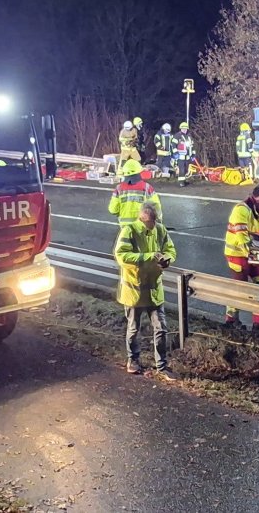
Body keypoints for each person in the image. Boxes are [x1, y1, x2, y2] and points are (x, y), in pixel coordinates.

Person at [114, 202, 179, 380]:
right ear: (143, 218)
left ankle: (162, 366)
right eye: (151, 222)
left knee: (161, 328)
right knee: (134, 328)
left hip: (154, 290)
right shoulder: (130, 231)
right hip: (134, 291)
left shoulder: (160, 229)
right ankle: (132, 360)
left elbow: (170, 249)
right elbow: (121, 256)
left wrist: (167, 259)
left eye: (156, 221)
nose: (154, 225)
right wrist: (147, 256)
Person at [224, 183, 259, 332]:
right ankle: (231, 320)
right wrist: (252, 253)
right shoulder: (242, 210)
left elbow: (258, 235)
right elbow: (241, 236)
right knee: (239, 288)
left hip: (252, 256)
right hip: (238, 255)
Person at [107, 159, 164, 226]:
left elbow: (113, 210)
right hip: (143, 226)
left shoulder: (119, 188)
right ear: (139, 173)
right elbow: (156, 208)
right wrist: (158, 222)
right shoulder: (147, 187)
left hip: (125, 227)